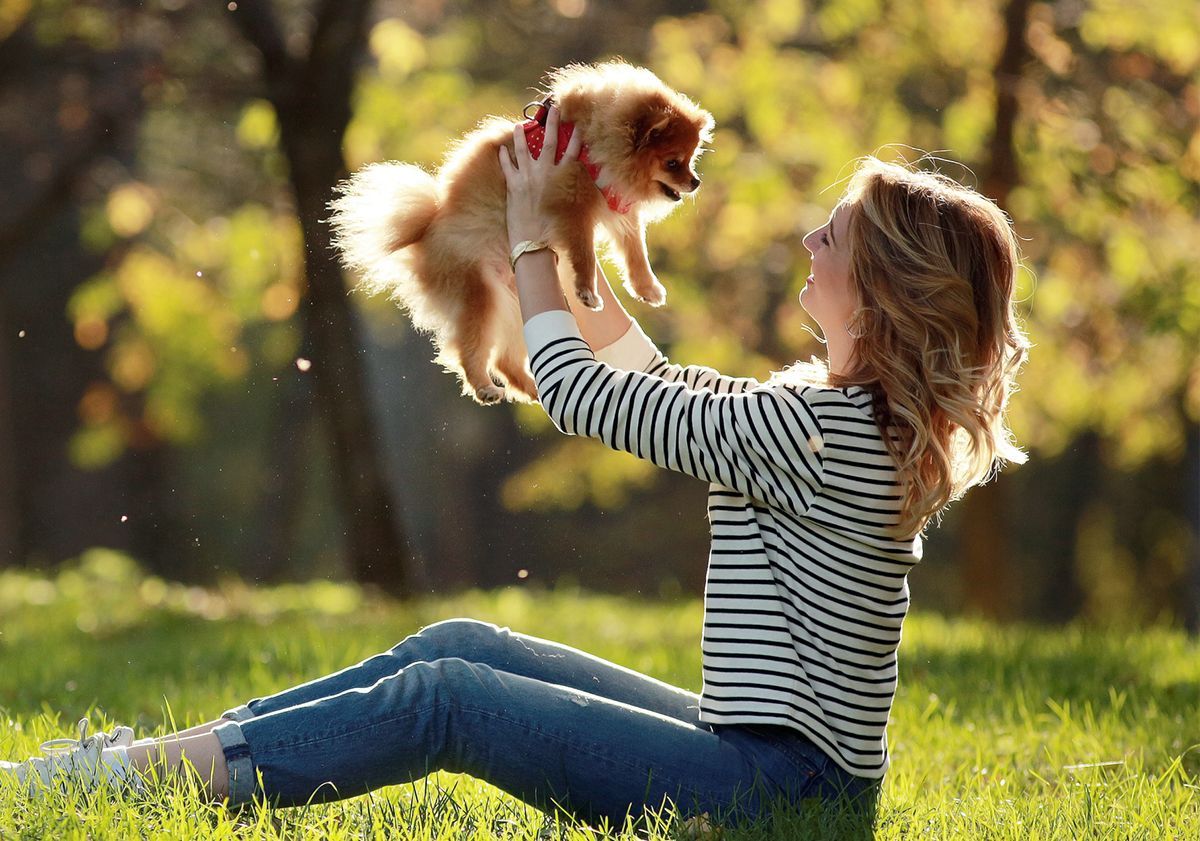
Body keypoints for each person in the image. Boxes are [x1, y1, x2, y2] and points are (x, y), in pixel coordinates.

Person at [2, 105, 1029, 830]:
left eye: (835, 234)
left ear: (885, 289)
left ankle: (139, 779)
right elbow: (657, 385)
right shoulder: (836, 416)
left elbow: (591, 397)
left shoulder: (824, 431)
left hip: (770, 788)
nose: (810, 237)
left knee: (449, 697)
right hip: (773, 765)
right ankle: (166, 761)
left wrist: (539, 246)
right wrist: (572, 246)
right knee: (460, 640)